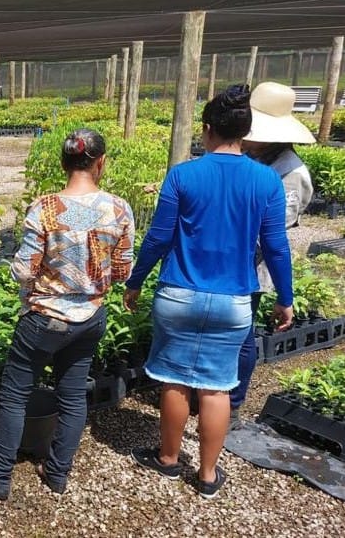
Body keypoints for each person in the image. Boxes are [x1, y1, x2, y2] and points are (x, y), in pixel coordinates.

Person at [124, 84, 294, 499]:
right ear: (246, 132)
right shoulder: (267, 181)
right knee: (217, 387)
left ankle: (168, 459)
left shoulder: (183, 175)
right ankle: (207, 475)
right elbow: (276, 246)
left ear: (206, 129)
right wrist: (285, 297)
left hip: (179, 294)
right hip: (234, 301)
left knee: (174, 381)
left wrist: (135, 280)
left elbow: (158, 238)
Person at [0, 128, 134, 499]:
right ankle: (56, 473)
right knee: (72, 395)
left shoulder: (45, 208)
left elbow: (24, 271)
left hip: (45, 318)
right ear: (100, 163)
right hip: (91, 316)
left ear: (63, 163)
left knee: (15, 394)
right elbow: (122, 271)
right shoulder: (119, 209)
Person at [230, 81, 315, 423]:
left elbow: (272, 236)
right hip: (227, 259)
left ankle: (232, 404)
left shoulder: (290, 173)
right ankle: (211, 396)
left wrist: (285, 294)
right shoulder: (250, 157)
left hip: (251, 265)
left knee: (241, 334)